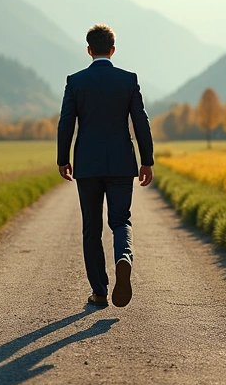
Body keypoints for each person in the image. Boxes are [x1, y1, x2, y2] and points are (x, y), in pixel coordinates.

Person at [57, 24, 155, 308]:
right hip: (122, 163)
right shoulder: (128, 80)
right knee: (120, 220)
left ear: (89, 50)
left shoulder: (75, 82)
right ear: (113, 50)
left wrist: (63, 159)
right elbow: (141, 122)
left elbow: (66, 123)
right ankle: (123, 257)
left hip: (87, 164)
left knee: (91, 227)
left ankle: (99, 291)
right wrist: (146, 161)